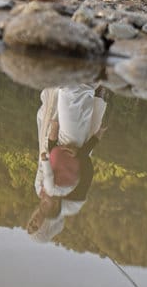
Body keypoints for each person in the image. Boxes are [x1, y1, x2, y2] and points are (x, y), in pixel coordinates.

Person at [26, 83, 108, 242]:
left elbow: (47, 161)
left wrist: (52, 136)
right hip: (79, 147)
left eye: (30, 224)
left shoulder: (39, 189)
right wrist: (81, 153)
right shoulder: (72, 204)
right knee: (81, 95)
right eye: (35, 226)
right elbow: (87, 174)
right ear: (45, 227)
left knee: (71, 93)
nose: (33, 221)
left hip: (61, 141)